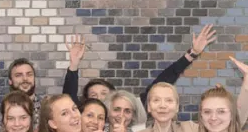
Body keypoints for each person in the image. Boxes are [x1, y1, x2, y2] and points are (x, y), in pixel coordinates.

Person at [62, 24, 219, 106]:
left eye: (104, 93)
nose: (100, 98)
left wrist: (192, 54)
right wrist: (74, 65)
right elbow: (68, 99)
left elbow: (161, 82)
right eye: (93, 95)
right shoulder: (82, 120)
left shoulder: (131, 113)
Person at [0, 37, 87, 132]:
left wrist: (74, 65)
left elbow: (67, 101)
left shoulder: (46, 106)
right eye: (18, 75)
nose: (25, 79)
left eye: (29, 74)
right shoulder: (2, 112)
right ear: (10, 81)